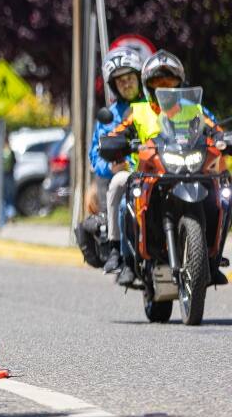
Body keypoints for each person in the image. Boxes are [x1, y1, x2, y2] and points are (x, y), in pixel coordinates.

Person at [103, 50, 225, 287]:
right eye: (158, 82)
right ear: (148, 86)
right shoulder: (138, 111)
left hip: (189, 167)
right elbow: (117, 133)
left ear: (180, 84)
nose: (164, 87)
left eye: (169, 81)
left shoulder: (194, 109)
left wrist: (222, 138)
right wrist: (116, 143)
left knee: (220, 195)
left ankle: (212, 259)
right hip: (149, 173)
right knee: (125, 196)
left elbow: (214, 129)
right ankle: (124, 258)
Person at [90, 47, 145, 274]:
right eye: (120, 81)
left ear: (139, 78)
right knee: (122, 196)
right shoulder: (109, 118)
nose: (126, 84)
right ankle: (119, 252)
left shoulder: (156, 106)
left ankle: (206, 254)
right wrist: (111, 166)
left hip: (160, 168)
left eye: (130, 77)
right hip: (129, 175)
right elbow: (96, 155)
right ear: (114, 86)